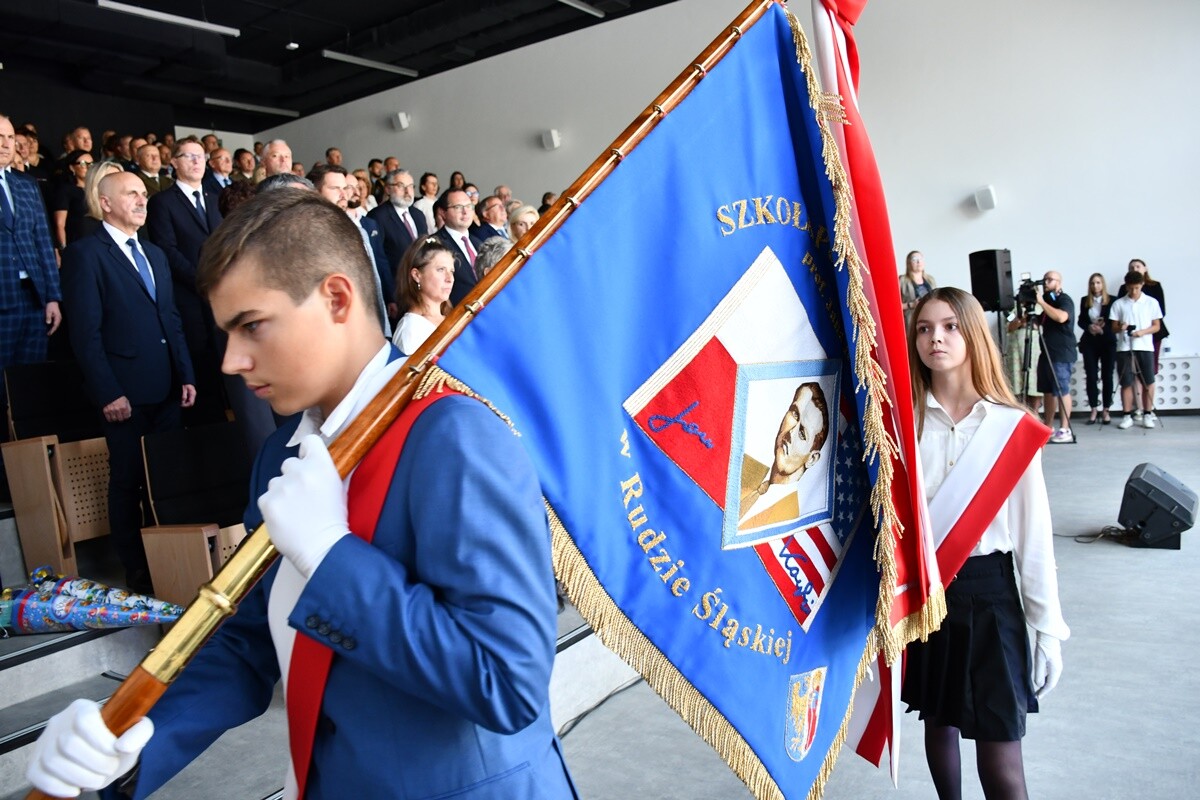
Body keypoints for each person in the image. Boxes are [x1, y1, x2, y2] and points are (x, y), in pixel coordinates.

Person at [26, 189, 577, 799]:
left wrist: (329, 555)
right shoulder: (280, 453)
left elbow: (507, 680)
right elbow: (246, 641)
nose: (232, 360)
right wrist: (121, 746)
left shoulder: (455, 434)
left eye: (252, 326)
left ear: (336, 298)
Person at [903, 287, 1069, 800]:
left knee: (1002, 765)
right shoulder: (900, 424)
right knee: (939, 723)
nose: (937, 338)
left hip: (990, 594)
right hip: (928, 596)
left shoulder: (1010, 428)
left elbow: (1032, 535)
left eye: (951, 326)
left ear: (974, 334)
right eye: (925, 328)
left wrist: (1047, 627)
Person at [60, 172, 196, 594]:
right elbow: (85, 333)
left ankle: (171, 565)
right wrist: (108, 392)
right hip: (123, 394)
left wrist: (186, 373)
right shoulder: (86, 254)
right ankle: (136, 571)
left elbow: (170, 319)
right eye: (131, 194)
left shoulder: (154, 253)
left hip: (168, 387)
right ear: (105, 203)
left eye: (143, 193)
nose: (142, 200)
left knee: (167, 478)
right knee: (128, 481)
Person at [738, 381, 829, 520]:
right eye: (794, 414)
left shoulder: (791, 516)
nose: (791, 434)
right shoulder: (743, 468)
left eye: (802, 434)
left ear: (812, 459)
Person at [1110, 269, 1162, 430]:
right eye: (1130, 288)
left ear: (1142, 285)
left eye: (1137, 288)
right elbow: (1113, 327)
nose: (1133, 291)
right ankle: (1127, 415)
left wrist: (1141, 332)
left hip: (1145, 346)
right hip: (1124, 347)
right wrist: (1121, 327)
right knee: (1126, 381)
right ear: (1126, 286)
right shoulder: (1119, 303)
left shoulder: (1151, 302)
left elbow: (1156, 326)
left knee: (1148, 381)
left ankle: (1147, 413)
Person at [1033, 270, 1076, 443]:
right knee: (1048, 391)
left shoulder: (1064, 300)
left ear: (1059, 282)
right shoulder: (1048, 303)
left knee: (1061, 389)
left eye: (1050, 279)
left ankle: (1065, 429)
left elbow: (1061, 317)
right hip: (1047, 352)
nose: (1046, 282)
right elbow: (1039, 323)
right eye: (1044, 280)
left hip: (1061, 352)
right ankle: (1048, 427)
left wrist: (1041, 302)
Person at [392, 237, 455, 355]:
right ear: (417, 275)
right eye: (441, 269)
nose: (449, 278)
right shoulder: (410, 330)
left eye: (452, 271)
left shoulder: (453, 318)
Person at [1077, 273, 1116, 425]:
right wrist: (1089, 327)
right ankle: (1093, 409)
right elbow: (1081, 320)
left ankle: (1106, 409)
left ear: (1103, 284)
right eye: (1092, 283)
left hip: (1107, 341)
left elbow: (1114, 320)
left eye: (1098, 283)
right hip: (1090, 342)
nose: (1095, 286)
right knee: (1091, 376)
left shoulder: (1112, 300)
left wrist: (1103, 329)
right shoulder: (1085, 301)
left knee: (1107, 375)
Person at [52, 149, 92, 248]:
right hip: (77, 243)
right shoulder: (65, 190)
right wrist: (63, 248)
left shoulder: (97, 189)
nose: (87, 167)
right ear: (72, 168)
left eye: (91, 164)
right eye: (82, 163)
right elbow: (60, 224)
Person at [899, 250, 936, 329]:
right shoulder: (901, 280)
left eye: (920, 259)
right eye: (914, 259)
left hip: (931, 317)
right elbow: (893, 306)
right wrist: (911, 305)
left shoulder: (930, 280)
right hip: (911, 320)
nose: (918, 261)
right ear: (908, 263)